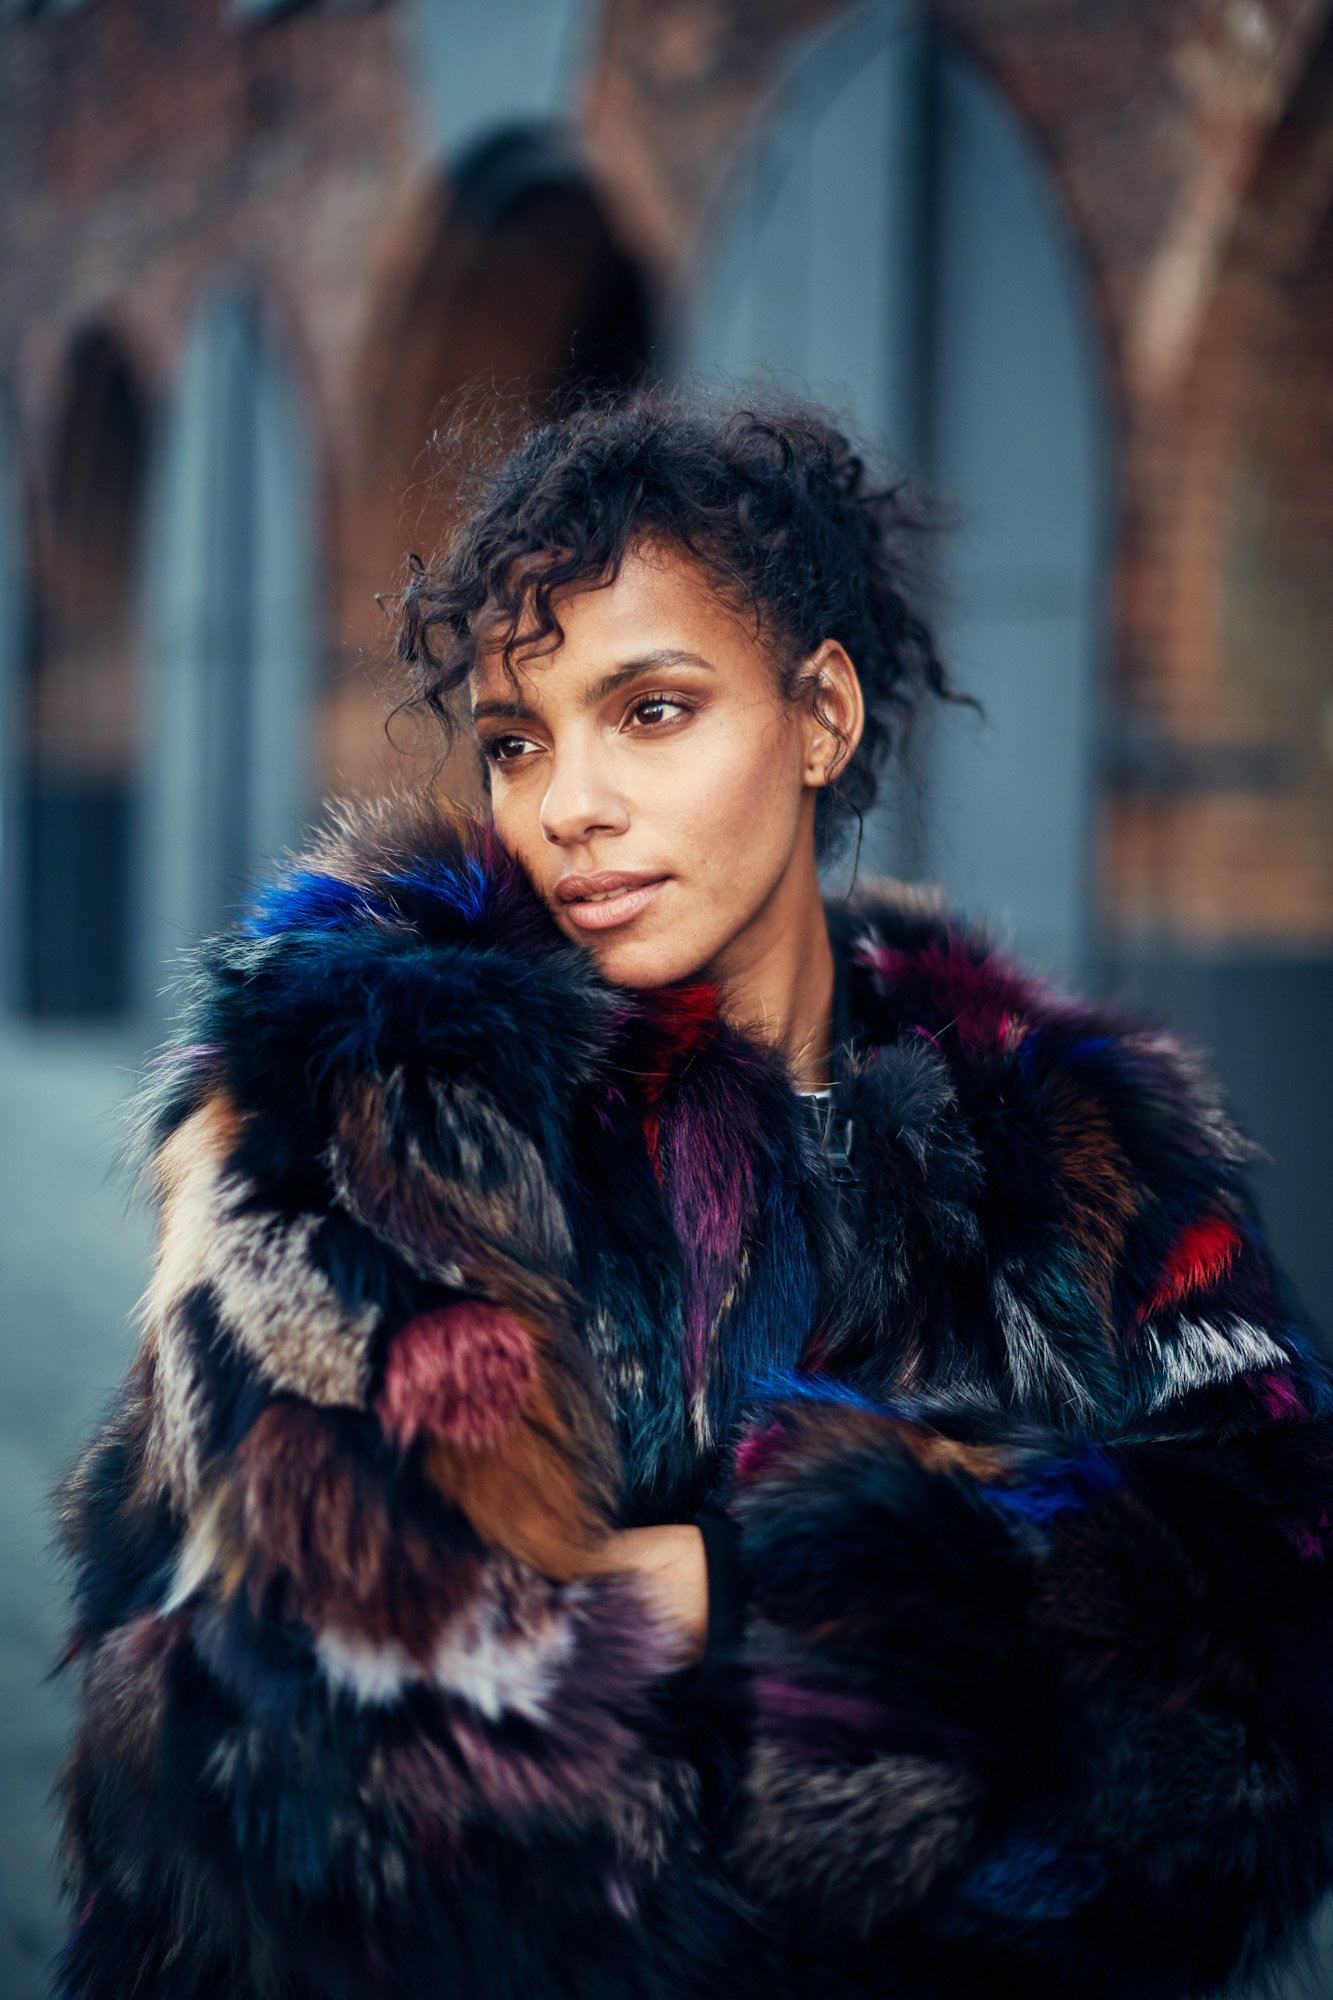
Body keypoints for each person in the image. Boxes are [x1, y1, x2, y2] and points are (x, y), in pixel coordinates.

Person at [52, 390, 1333, 2000]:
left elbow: (1276, 1638)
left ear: (817, 717)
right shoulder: (391, 1104)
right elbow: (327, 1740)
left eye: (648, 711)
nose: (565, 803)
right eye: (518, 740)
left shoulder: (1074, 1139)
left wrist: (729, 1591)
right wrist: (996, 1674)